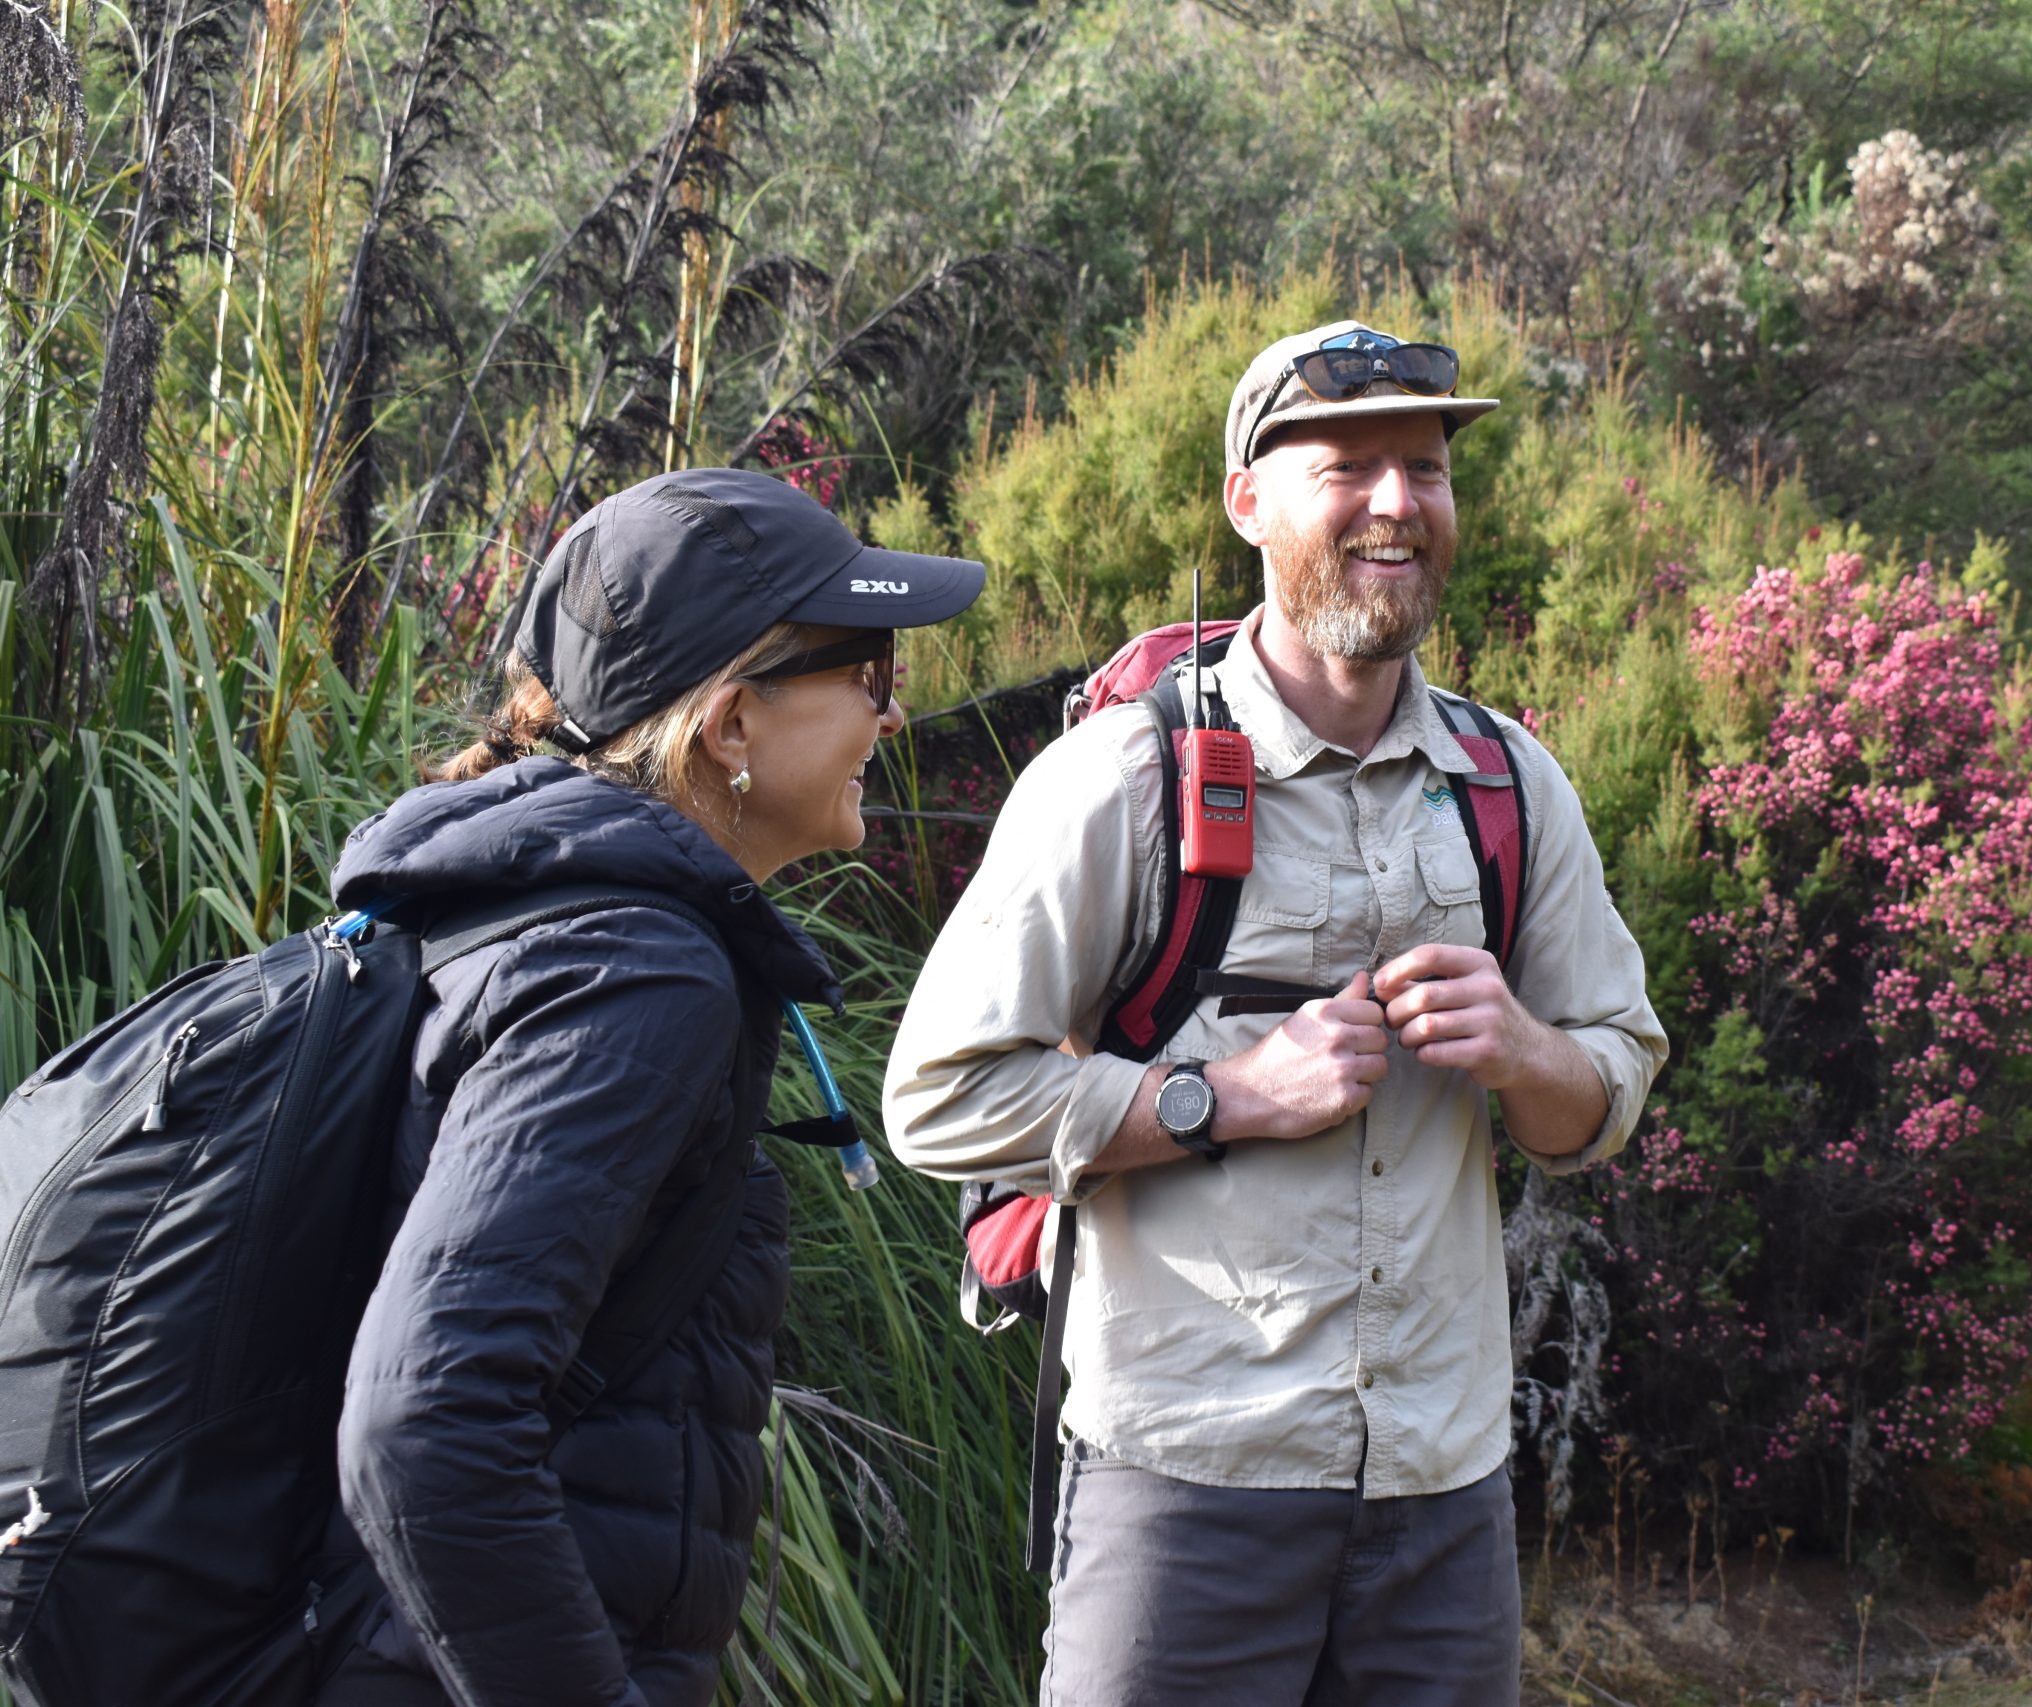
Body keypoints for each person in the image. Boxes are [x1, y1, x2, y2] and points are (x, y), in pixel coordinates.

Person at [884, 322, 1669, 1704]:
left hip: (1442, 1493)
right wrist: (1226, 1095)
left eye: (1423, 469)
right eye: (1348, 465)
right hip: (1186, 1487)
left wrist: (1526, 1050)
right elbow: (939, 1094)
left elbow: (1607, 1087)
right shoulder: (1122, 775)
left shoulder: (1512, 780)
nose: (1395, 502)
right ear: (1247, 500)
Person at [315, 468, 983, 1706]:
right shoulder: (635, 973)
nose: (891, 718)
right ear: (732, 725)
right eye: (870, 675)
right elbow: (426, 1416)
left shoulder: (507, 916)